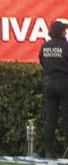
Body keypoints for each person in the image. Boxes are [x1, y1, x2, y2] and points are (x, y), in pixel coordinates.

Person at [41, 19, 68, 159]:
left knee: (50, 119)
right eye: (64, 30)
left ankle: (48, 152)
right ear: (61, 32)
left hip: (49, 83)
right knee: (66, 119)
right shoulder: (65, 46)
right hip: (64, 83)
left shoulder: (45, 46)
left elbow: (42, 62)